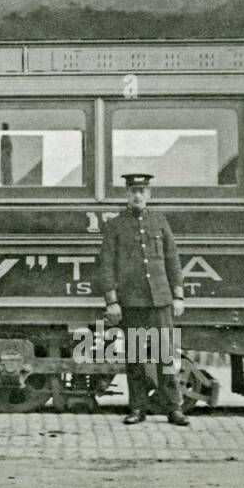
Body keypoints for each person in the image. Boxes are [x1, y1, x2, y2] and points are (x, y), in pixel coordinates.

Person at [97, 172, 189, 426]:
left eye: (142, 191)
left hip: (161, 299)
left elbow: (173, 260)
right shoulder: (116, 225)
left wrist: (178, 295)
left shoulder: (159, 221)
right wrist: (112, 301)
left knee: (166, 356)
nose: (137, 195)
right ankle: (137, 408)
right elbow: (106, 265)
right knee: (136, 358)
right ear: (126, 195)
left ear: (148, 194)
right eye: (133, 191)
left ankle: (174, 408)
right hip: (132, 300)